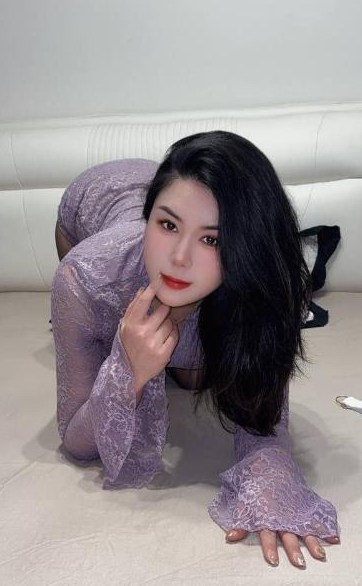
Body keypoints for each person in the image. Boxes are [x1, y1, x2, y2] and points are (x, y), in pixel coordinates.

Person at [51, 130, 340, 569]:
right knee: (116, 341)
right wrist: (127, 371)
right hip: (88, 206)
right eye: (167, 226)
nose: (179, 259)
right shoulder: (83, 278)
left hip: (173, 209)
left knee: (196, 372)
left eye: (212, 240)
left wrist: (272, 486)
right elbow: (76, 441)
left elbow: (261, 415)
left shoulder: (265, 288)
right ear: (149, 218)